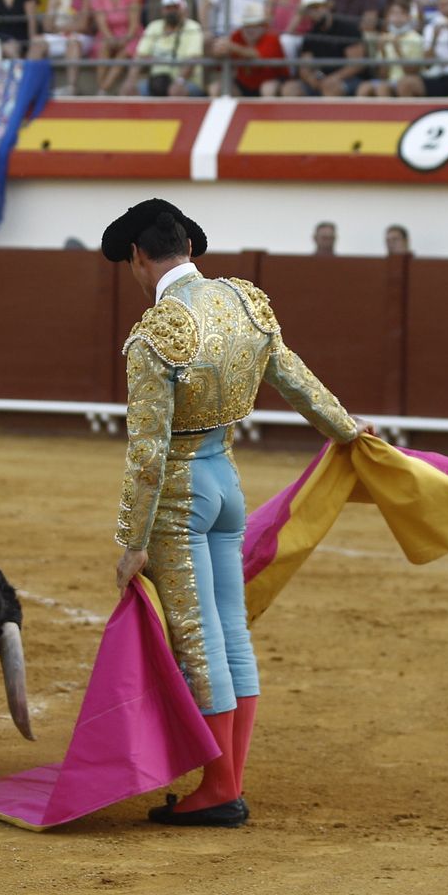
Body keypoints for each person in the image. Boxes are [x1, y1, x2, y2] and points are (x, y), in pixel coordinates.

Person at [104, 199, 368, 827]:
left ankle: (219, 790)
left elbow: (148, 448)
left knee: (199, 640)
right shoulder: (245, 301)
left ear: (140, 258)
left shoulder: (156, 332)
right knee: (231, 631)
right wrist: (348, 430)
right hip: (227, 482)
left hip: (180, 495)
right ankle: (225, 780)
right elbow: (294, 378)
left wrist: (131, 540)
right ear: (188, 248)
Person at [282, 0, 364, 95]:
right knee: (290, 88)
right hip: (322, 77)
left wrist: (334, 78)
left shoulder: (347, 28)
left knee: (331, 88)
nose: (315, 12)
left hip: (350, 79)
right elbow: (305, 67)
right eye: (310, 9)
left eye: (318, 7)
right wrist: (311, 78)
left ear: (327, 7)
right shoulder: (310, 35)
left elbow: (356, 65)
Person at [130, 0, 202, 95]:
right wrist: (131, 81)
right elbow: (141, 56)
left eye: (176, 7)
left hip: (186, 80)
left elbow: (192, 59)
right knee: (132, 90)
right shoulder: (154, 27)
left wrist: (179, 81)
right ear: (162, 10)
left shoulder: (193, 27)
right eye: (168, 8)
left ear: (184, 9)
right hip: (157, 80)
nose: (172, 11)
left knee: (176, 91)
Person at [209, 0, 286, 95]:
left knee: (267, 88)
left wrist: (232, 47)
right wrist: (218, 52)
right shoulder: (237, 36)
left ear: (264, 26)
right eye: (247, 25)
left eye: (255, 25)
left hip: (272, 81)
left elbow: (258, 55)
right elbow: (219, 65)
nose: (250, 30)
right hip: (244, 83)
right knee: (215, 88)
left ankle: (266, 111)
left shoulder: (271, 37)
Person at [90, 0, 142, 93]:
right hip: (108, 33)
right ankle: (101, 86)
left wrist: (126, 38)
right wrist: (110, 38)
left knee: (125, 52)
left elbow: (134, 23)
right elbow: (101, 23)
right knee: (103, 46)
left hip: (131, 34)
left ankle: (103, 88)